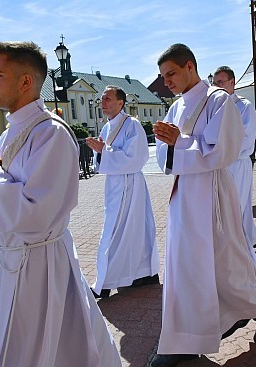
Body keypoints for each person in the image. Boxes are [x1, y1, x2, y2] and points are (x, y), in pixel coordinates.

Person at [0, 41, 121, 367]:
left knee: (41, 350)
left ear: (25, 82)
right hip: (18, 262)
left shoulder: (52, 134)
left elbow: (38, 212)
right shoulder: (10, 135)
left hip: (41, 265)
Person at [150, 43, 256, 367]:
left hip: (211, 192)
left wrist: (177, 143)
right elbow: (162, 155)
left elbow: (222, 149)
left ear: (189, 66)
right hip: (184, 194)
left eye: (170, 73)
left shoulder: (218, 100)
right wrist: (169, 146)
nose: (166, 81)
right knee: (185, 266)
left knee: (222, 265)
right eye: (163, 76)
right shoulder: (176, 107)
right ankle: (185, 339)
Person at [85, 85, 160, 299]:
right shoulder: (107, 128)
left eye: (108, 98)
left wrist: (104, 152)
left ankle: (107, 281)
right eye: (102, 99)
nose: (103, 102)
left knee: (119, 231)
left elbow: (136, 158)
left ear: (120, 103)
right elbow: (101, 159)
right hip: (114, 186)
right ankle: (140, 274)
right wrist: (100, 154)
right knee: (127, 230)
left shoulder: (132, 125)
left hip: (130, 185)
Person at [212, 66, 256, 249]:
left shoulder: (244, 106)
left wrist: (220, 152)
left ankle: (236, 247)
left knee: (236, 205)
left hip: (236, 163)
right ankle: (243, 241)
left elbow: (246, 139)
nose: (217, 86)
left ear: (232, 83)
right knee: (222, 207)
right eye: (214, 83)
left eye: (221, 82)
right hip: (218, 164)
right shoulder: (213, 107)